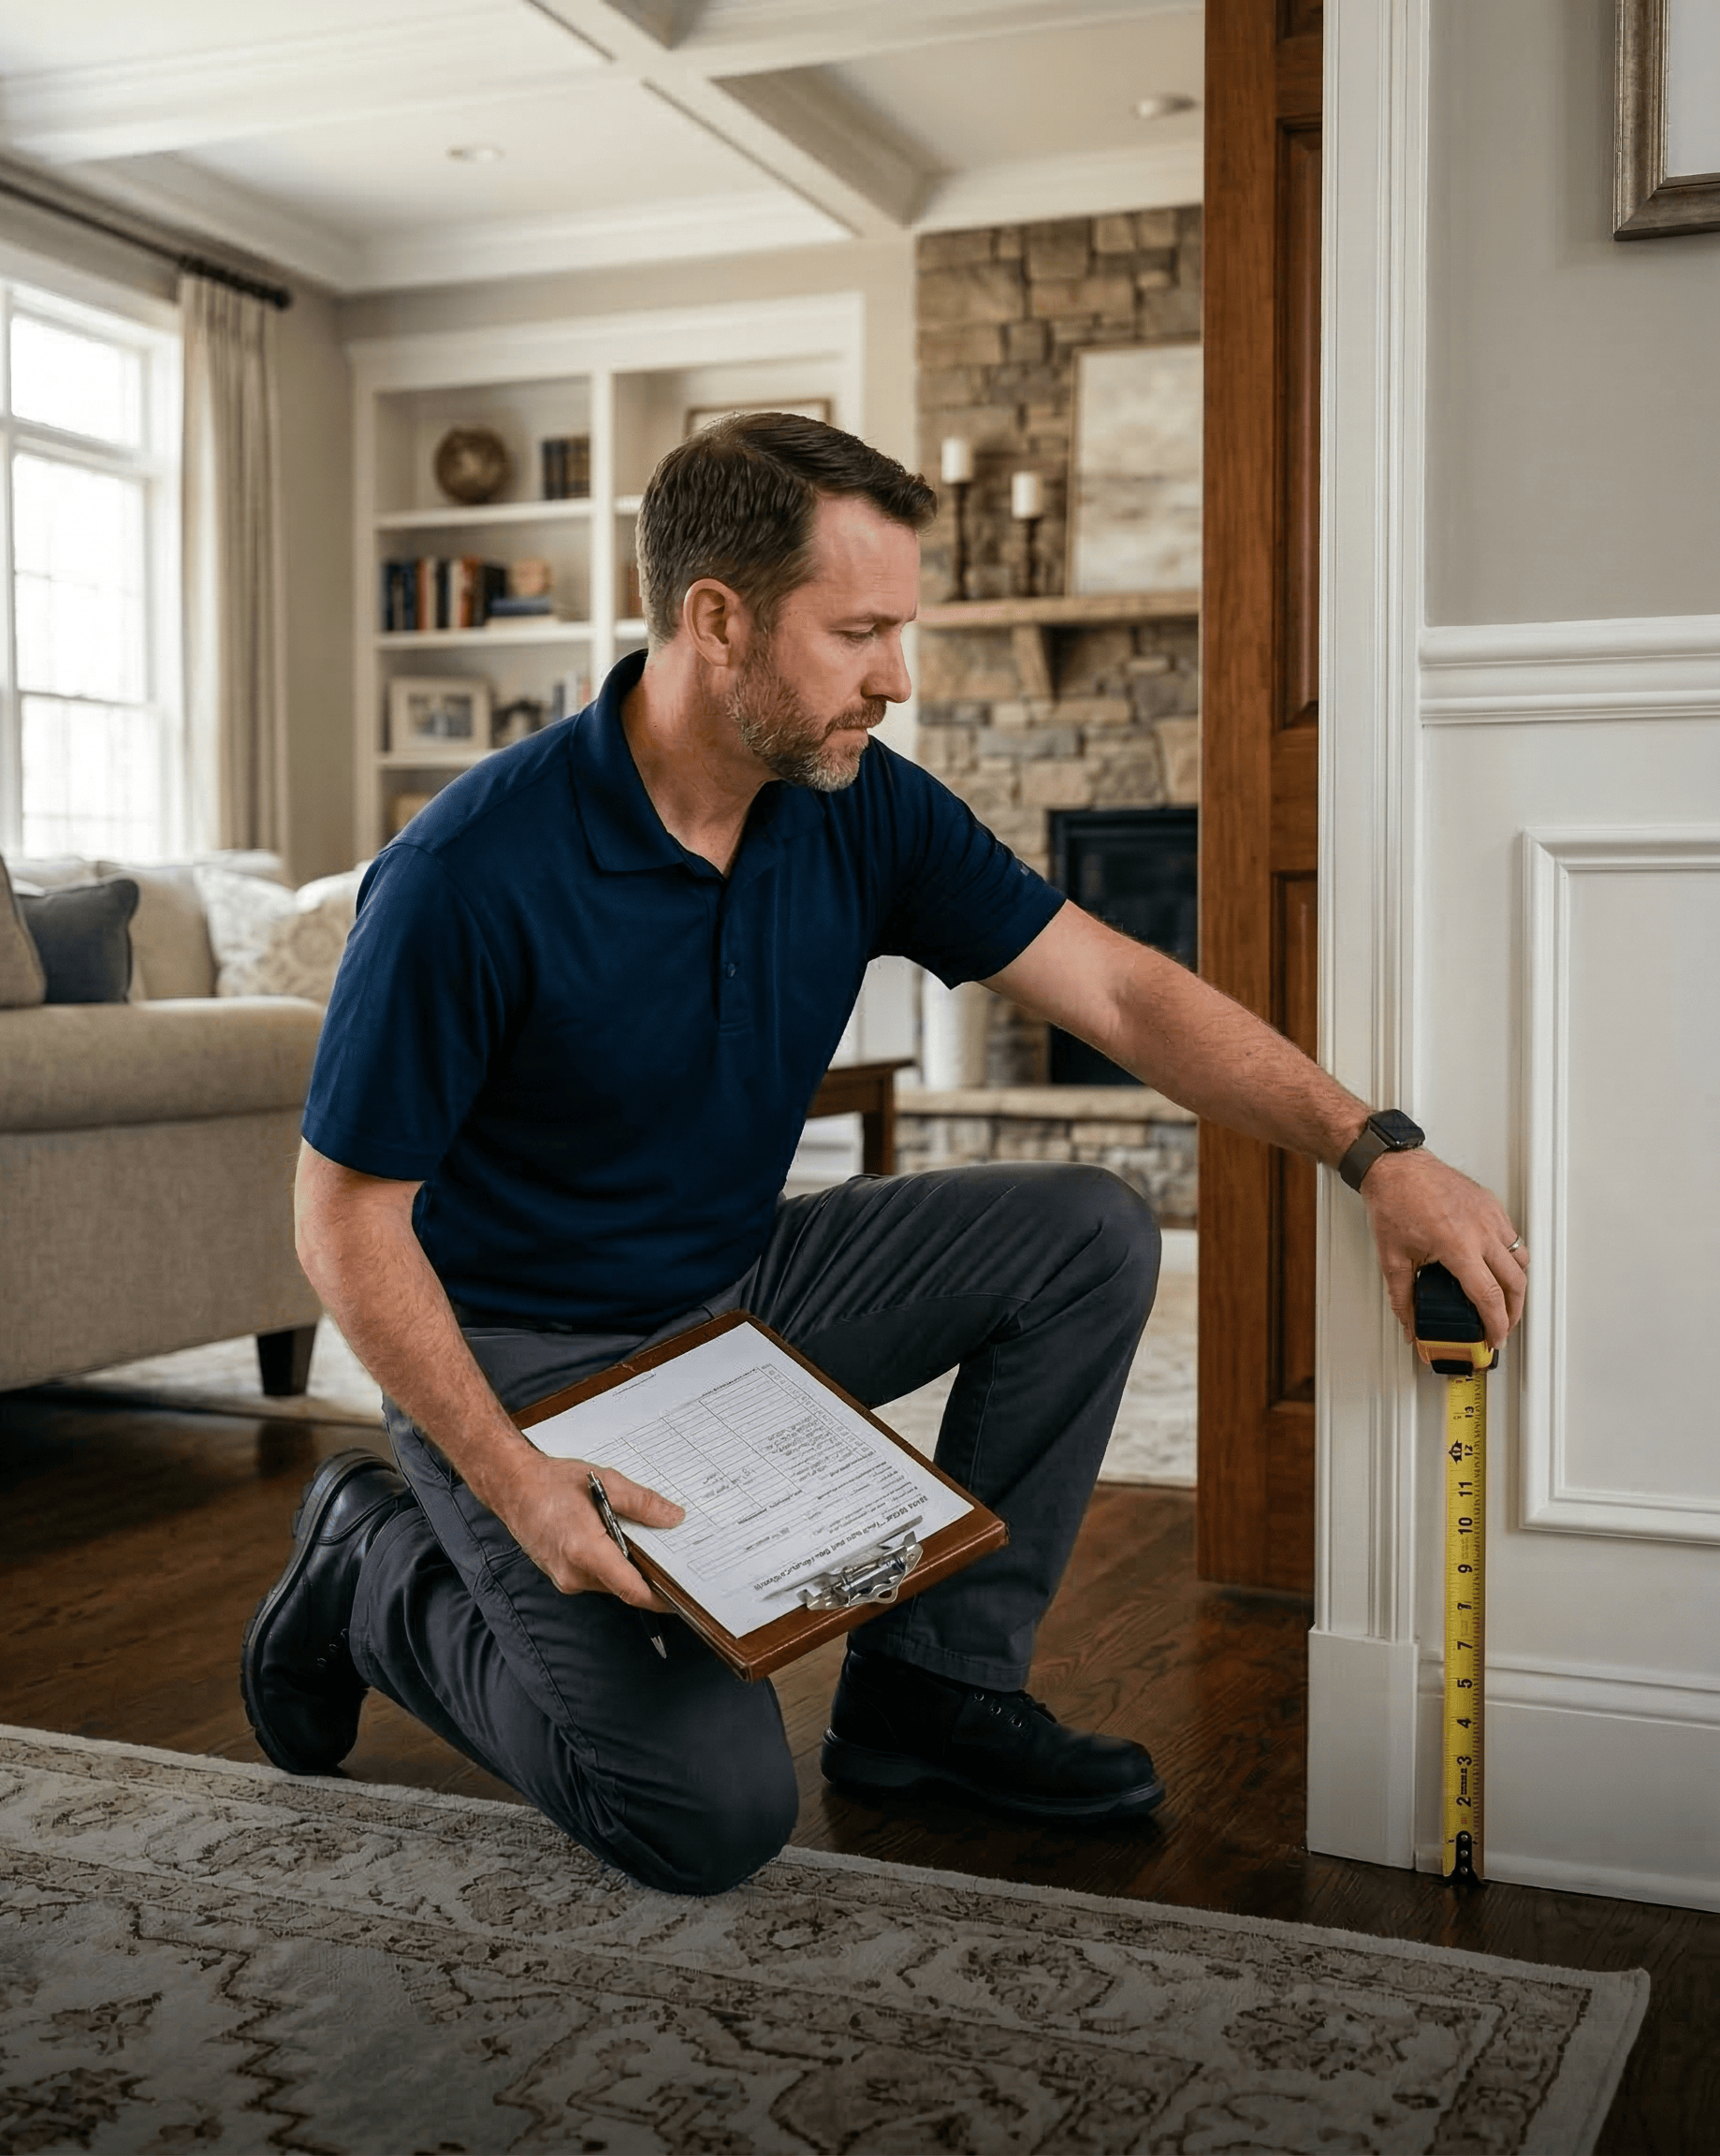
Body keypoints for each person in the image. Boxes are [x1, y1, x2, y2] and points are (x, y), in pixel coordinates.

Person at [241, 415, 1527, 1898]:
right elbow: (344, 1221)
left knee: (1086, 1230)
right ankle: (373, 1562)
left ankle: (932, 1694)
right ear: (718, 620)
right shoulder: (470, 871)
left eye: (900, 630)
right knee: (706, 1814)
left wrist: (1374, 1151)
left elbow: (1119, 993)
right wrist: (517, 1481)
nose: (897, 677)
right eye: (858, 632)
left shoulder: (858, 807)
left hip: (737, 1285)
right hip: (525, 1357)